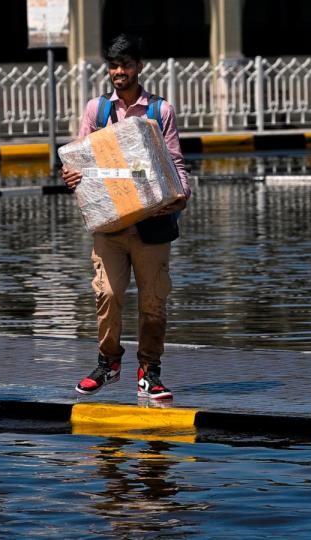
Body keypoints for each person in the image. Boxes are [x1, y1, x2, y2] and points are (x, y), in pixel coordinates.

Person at [61, 34, 192, 400]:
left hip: (153, 226)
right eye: (114, 66)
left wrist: (181, 198)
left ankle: (150, 371)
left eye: (126, 65)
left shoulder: (159, 111)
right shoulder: (97, 110)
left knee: (153, 302)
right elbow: (78, 158)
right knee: (107, 293)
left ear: (139, 67)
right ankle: (108, 362)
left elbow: (176, 162)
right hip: (110, 225)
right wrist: (69, 176)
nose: (119, 72)